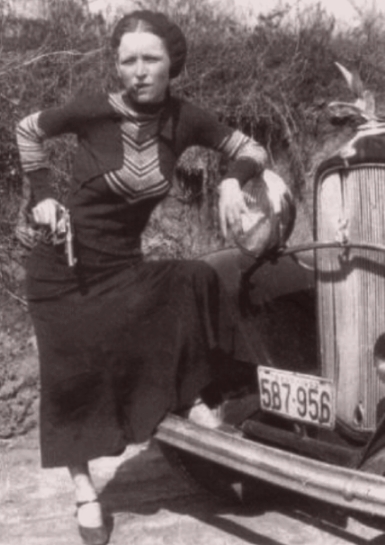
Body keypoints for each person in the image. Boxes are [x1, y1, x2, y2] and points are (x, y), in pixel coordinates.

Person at [16, 10, 267, 545]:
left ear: (172, 63)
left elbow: (250, 149)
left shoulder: (186, 119)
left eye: (150, 59)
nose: (138, 71)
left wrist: (231, 181)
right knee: (74, 374)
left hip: (123, 265)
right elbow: (28, 129)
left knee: (194, 279)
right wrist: (42, 198)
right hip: (62, 268)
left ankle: (193, 395)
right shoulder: (93, 109)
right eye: (127, 60)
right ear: (116, 66)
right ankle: (85, 490)